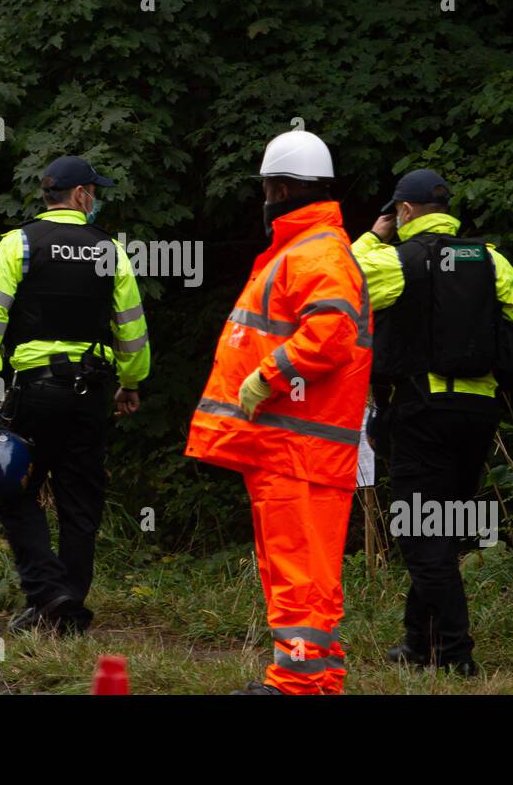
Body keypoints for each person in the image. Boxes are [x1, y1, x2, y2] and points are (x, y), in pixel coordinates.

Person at [185, 131, 371, 695]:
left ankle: (296, 683)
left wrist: (268, 376)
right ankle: (313, 676)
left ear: (280, 188)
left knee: (297, 573)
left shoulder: (315, 252)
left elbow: (331, 332)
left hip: (298, 449)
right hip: (290, 447)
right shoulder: (304, 250)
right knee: (302, 574)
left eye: (267, 188)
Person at [0, 156, 149, 635]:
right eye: (94, 191)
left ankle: (47, 592)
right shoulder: (110, 250)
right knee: (79, 500)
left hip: (35, 392)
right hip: (91, 392)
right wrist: (131, 381)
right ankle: (67, 608)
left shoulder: (19, 243)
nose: (95, 198)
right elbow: (132, 326)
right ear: (81, 195)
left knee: (10, 486)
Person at [353, 168, 513, 676]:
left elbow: (345, 278)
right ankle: (417, 642)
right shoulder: (492, 260)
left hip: (421, 410)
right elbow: (512, 321)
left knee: (419, 532)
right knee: (440, 530)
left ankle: (456, 656)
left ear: (404, 211)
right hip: (479, 412)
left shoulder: (396, 261)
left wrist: (372, 234)